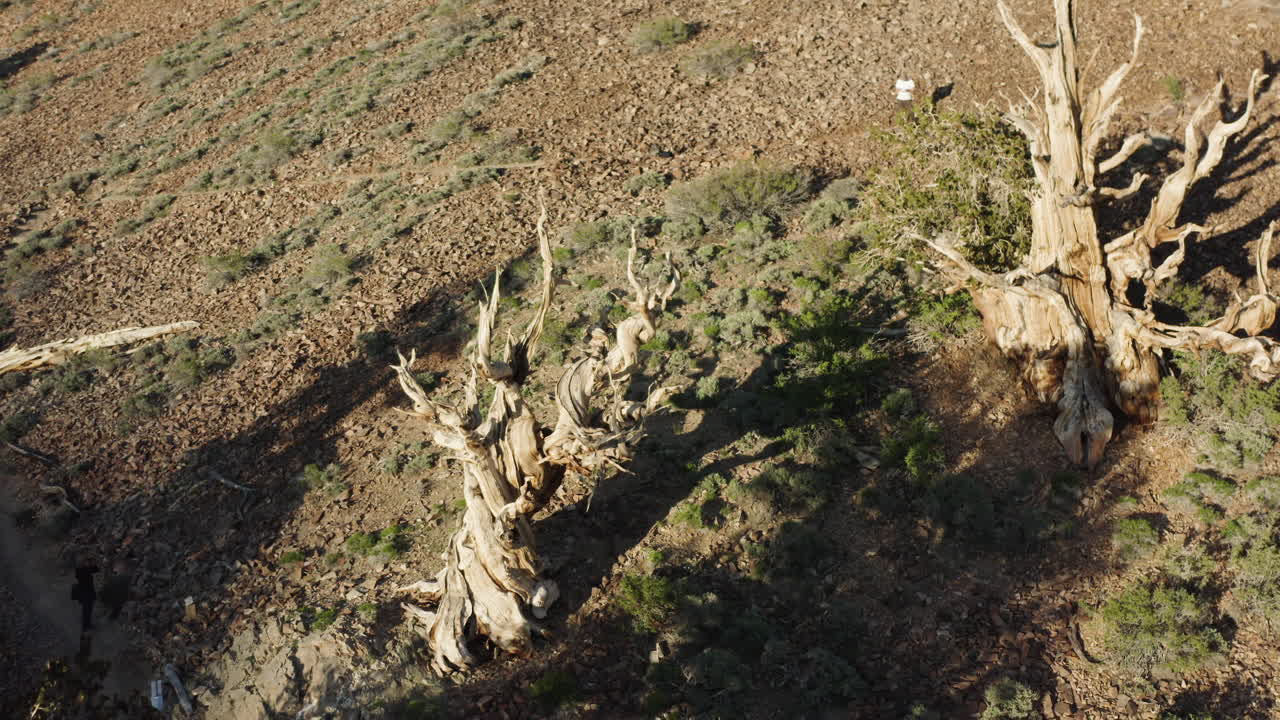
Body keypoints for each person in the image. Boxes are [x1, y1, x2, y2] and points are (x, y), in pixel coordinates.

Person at [71, 564, 99, 632]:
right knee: (87, 610)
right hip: (88, 595)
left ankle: (86, 624)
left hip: (83, 593)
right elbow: (96, 569)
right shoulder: (87, 572)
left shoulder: (79, 570)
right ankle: (86, 626)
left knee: (86, 610)